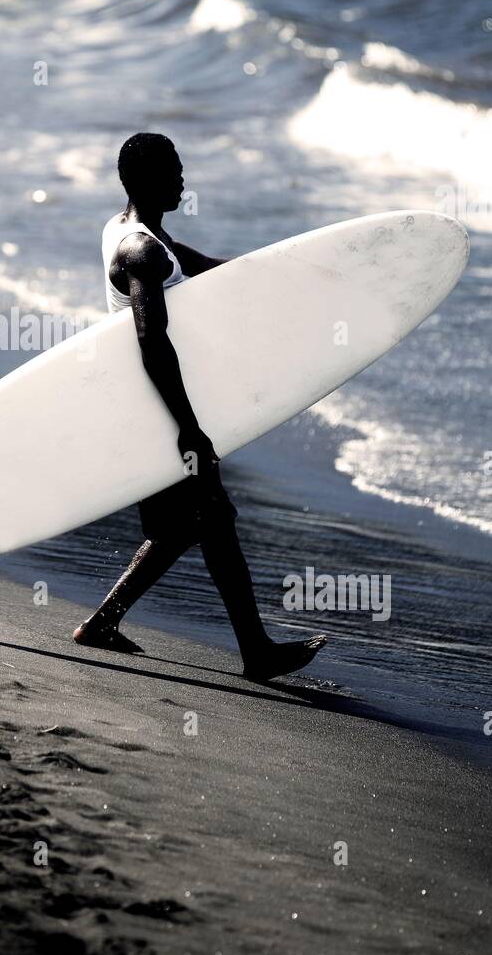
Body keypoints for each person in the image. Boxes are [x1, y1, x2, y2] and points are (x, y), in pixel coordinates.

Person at [73, 132, 326, 682]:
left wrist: (285, 272)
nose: (182, 179)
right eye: (170, 170)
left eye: (180, 167)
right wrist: (188, 429)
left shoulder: (132, 233)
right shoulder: (139, 250)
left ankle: (102, 623)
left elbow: (200, 267)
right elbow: (152, 341)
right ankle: (256, 651)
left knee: (190, 524)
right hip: (160, 413)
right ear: (141, 181)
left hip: (150, 410)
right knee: (212, 516)